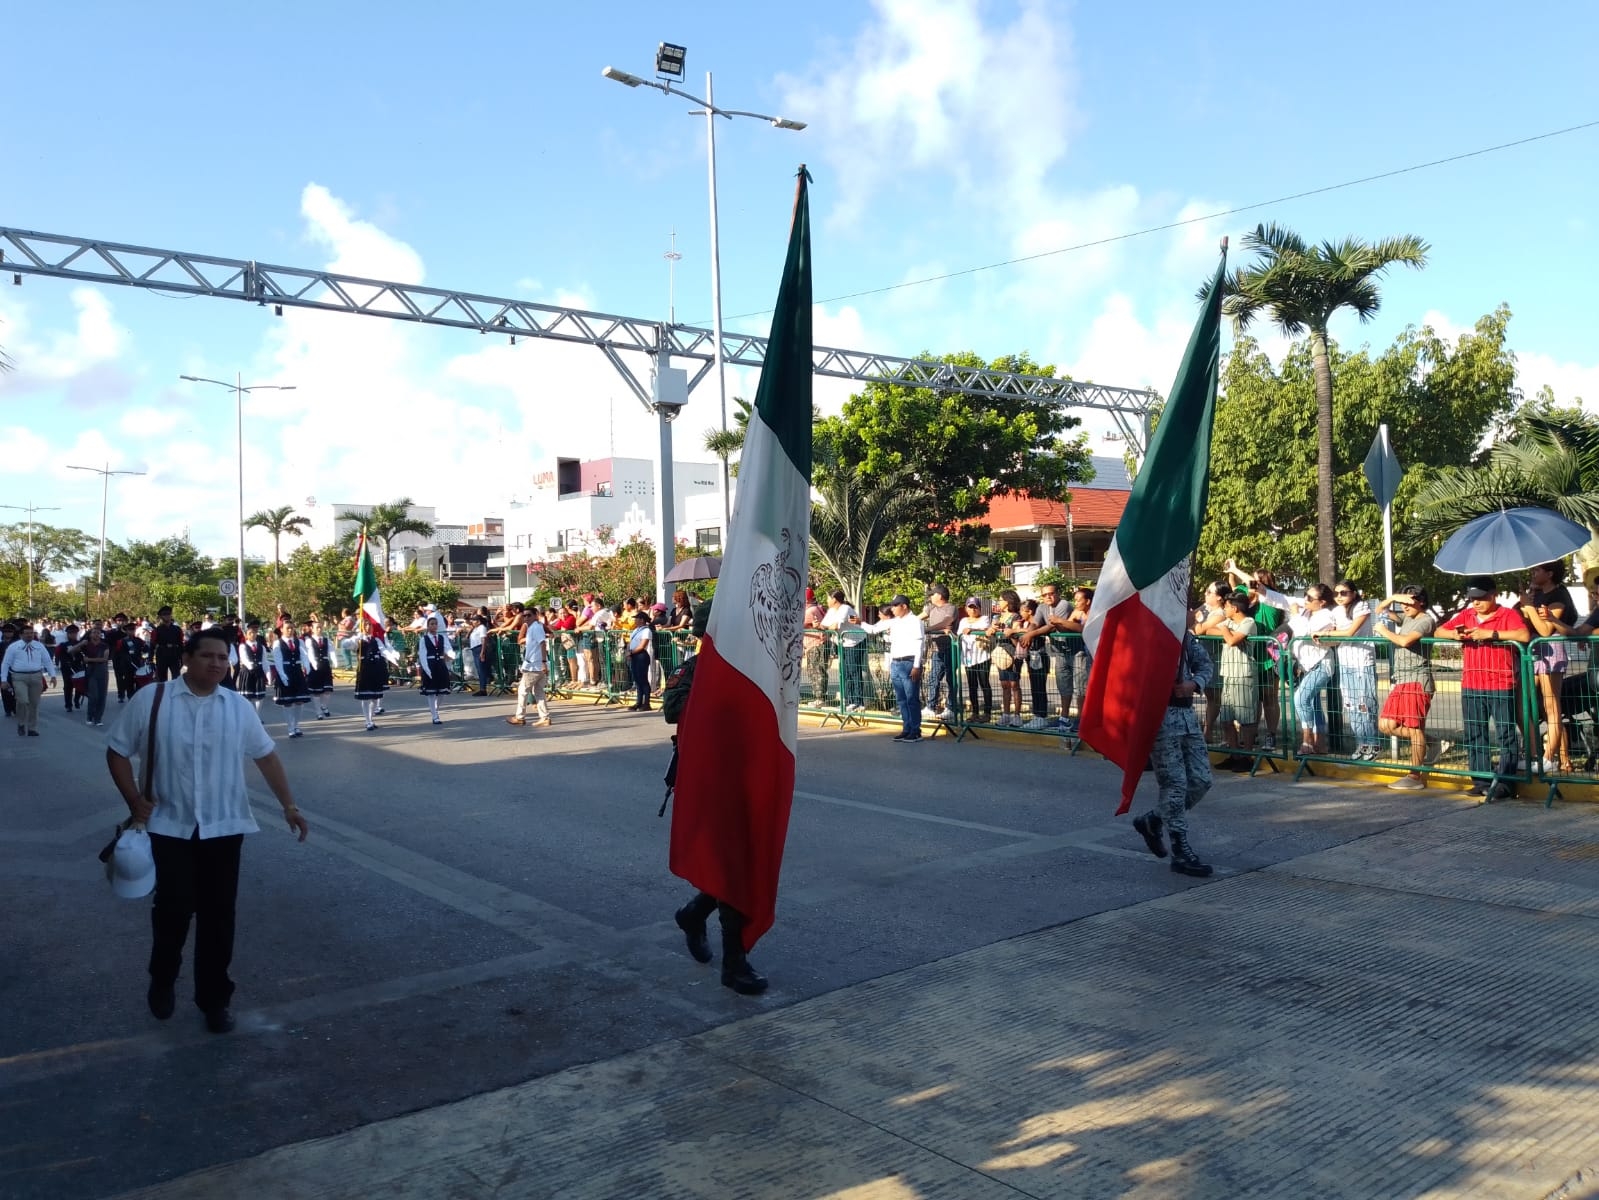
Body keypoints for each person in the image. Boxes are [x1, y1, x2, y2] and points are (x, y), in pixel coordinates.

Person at [105, 626, 309, 1034]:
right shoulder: (153, 699)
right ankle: (162, 978)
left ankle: (214, 999)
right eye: (207, 656)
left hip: (223, 826)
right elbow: (117, 751)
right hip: (168, 826)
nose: (217, 663)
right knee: (174, 910)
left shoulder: (237, 707)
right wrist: (134, 800)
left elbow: (266, 758)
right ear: (186, 658)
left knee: (219, 917)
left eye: (223, 657)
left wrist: (289, 806)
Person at [1131, 630, 1216, 877]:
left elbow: (1205, 663)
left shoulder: (1184, 635)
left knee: (1201, 780)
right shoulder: (1149, 629)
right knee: (1175, 784)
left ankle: (1153, 820)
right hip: (1160, 717)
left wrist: (1195, 683)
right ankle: (1180, 849)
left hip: (1187, 715)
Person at [1436, 574, 1529, 798]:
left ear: (1493, 595)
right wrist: (1454, 635)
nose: (1475, 603)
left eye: (1480, 598)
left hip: (1500, 683)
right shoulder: (1467, 614)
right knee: (1475, 733)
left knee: (1506, 735)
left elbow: (1523, 635)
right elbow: (1439, 630)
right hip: (1472, 683)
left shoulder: (1508, 614)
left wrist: (1492, 634)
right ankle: (1480, 780)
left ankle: (1506, 784)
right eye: (1472, 598)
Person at [1374, 587, 1438, 789]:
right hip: (1401, 679)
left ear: (1421, 602)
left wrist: (1384, 632)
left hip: (1417, 679)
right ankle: (1432, 742)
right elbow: (1379, 611)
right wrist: (1392, 598)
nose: (1405, 606)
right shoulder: (1407, 618)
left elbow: (1405, 640)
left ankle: (1415, 776)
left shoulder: (1425, 620)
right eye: (1403, 602)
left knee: (1413, 727)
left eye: (1410, 602)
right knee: (1386, 725)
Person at [1520, 562, 1576, 773]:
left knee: (1552, 706)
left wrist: (1529, 607)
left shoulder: (1558, 597)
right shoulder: (1539, 594)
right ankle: (1560, 756)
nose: (1533, 573)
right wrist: (1527, 603)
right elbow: (1532, 622)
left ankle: (1549, 757)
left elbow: (1545, 629)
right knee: (1533, 704)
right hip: (1534, 652)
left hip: (1550, 650)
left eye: (1538, 570)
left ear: (1550, 574)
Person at [1319, 580, 1379, 760]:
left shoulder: (1361, 607)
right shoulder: (1336, 611)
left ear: (1353, 593)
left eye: (1343, 593)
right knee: (1351, 704)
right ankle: (1361, 743)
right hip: (1345, 661)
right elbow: (1336, 634)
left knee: (1365, 704)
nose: (1339, 597)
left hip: (1363, 661)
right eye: (1336, 593)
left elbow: (1349, 632)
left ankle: (1373, 742)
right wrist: (1322, 636)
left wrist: (1326, 634)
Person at [859, 594, 926, 742]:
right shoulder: (894, 622)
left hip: (908, 662)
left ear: (904, 606)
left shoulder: (915, 621)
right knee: (901, 699)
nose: (893, 609)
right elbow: (873, 629)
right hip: (896, 662)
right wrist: (860, 622)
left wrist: (916, 666)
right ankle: (906, 728)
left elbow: (919, 644)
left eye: (895, 606)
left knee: (911, 699)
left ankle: (915, 730)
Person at [1289, 584, 1338, 755]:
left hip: (1321, 664)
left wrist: (1295, 614)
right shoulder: (1307, 612)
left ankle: (1307, 741)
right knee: (1313, 704)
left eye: (1310, 598)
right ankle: (1320, 744)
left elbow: (1305, 631)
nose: (1305, 600)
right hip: (1306, 665)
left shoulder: (1325, 616)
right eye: (1305, 596)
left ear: (1322, 602)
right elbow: (1281, 599)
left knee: (1300, 699)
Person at [1215, 590, 1259, 770]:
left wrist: (1224, 629)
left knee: (1245, 719)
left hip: (1243, 674)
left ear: (1234, 608)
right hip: (1228, 673)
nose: (1224, 610)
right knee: (1226, 718)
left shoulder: (1248, 622)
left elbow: (1233, 640)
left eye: (1226, 606)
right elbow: (1209, 629)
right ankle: (1234, 754)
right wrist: (1225, 629)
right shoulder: (1230, 622)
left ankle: (1247, 756)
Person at [2, 623, 57, 736]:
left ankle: (32, 728)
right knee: (23, 700)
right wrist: (3, 679)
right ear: (21, 635)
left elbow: (47, 660)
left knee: (34, 703)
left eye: (31, 633)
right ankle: (21, 723)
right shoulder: (13, 647)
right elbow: (6, 663)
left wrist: (53, 675)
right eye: (26, 633)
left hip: (36, 676)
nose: (29, 635)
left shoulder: (39, 646)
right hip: (19, 677)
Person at [821, 590, 867, 713]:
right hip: (843, 643)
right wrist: (819, 626)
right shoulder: (831, 611)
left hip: (855, 642)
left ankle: (858, 702)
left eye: (828, 598)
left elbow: (835, 626)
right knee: (845, 672)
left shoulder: (845, 608)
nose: (827, 601)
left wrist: (828, 627)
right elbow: (823, 626)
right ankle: (848, 701)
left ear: (834, 599)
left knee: (854, 671)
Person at [506, 606, 551, 728]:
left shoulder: (536, 627)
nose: (526, 618)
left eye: (529, 615)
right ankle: (544, 717)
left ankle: (520, 717)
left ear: (536, 615)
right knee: (539, 692)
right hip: (536, 664)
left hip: (534, 665)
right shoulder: (534, 627)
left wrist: (543, 662)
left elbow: (542, 643)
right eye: (524, 616)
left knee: (522, 690)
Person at [268, 624, 313, 738]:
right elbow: (278, 660)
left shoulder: (299, 642)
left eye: (291, 628)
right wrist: (282, 675)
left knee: (299, 701)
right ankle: (290, 727)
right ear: (282, 630)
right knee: (288, 702)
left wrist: (307, 667)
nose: (290, 630)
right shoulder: (278, 643)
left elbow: (304, 655)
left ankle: (296, 725)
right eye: (287, 628)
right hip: (286, 671)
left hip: (297, 672)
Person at [920, 585, 958, 723]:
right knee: (933, 678)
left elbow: (947, 622)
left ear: (940, 596)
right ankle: (930, 707)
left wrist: (928, 629)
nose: (930, 597)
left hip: (950, 649)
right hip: (936, 649)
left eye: (933, 594)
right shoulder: (931, 608)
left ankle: (951, 708)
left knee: (951, 680)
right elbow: (918, 618)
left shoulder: (951, 608)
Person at [990, 590, 1024, 727]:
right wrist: (991, 629)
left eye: (1001, 600)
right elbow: (992, 632)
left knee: (1014, 684)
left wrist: (1009, 631)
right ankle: (1006, 714)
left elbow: (1016, 632)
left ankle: (1017, 715)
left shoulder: (1016, 616)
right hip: (1000, 652)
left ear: (1008, 601)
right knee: (1004, 684)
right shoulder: (998, 617)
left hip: (1012, 651)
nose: (999, 602)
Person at [956, 597, 992, 723]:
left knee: (984, 684)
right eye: (970, 607)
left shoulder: (984, 619)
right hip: (968, 657)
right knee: (972, 685)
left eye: (975, 607)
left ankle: (987, 713)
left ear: (979, 608)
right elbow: (959, 635)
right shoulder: (963, 620)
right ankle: (975, 712)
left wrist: (972, 630)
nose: (973, 610)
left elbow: (986, 630)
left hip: (982, 656)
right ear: (966, 608)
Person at [353, 628, 396, 731]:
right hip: (364, 669)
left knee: (375, 698)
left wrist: (393, 659)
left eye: (369, 625)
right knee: (366, 697)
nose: (367, 627)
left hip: (375, 669)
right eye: (365, 625)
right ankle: (367, 721)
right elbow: (347, 645)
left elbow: (384, 650)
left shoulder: (376, 640)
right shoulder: (358, 639)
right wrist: (355, 638)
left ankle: (371, 720)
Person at [415, 616, 455, 725]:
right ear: (428, 626)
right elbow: (423, 654)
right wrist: (426, 669)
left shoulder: (441, 638)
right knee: (431, 692)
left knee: (443, 691)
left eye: (435, 624)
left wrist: (452, 655)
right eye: (431, 624)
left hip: (440, 665)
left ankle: (435, 708)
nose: (434, 626)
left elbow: (448, 648)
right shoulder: (424, 639)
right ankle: (434, 715)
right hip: (430, 664)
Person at [79, 626, 112, 727]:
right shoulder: (86, 645)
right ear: (90, 634)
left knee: (102, 696)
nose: (96, 635)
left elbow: (104, 659)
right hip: (91, 672)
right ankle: (90, 716)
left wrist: (89, 660)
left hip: (102, 672)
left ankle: (98, 718)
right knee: (93, 696)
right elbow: (71, 651)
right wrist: (81, 643)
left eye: (98, 633)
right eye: (94, 633)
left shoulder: (104, 645)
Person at [303, 618, 335, 719]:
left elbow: (331, 651)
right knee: (316, 692)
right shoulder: (309, 641)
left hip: (325, 665)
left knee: (327, 690)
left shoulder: (326, 640)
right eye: (317, 627)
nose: (319, 629)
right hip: (315, 666)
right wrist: (313, 663)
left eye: (320, 627)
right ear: (312, 629)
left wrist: (334, 661)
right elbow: (310, 653)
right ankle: (318, 712)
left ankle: (324, 706)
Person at [626, 610, 655, 711]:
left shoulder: (646, 631)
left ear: (642, 620)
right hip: (634, 655)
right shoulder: (636, 630)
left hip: (641, 656)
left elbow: (642, 645)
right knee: (637, 680)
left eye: (637, 619)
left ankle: (646, 703)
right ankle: (638, 702)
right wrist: (628, 652)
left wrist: (631, 652)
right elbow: (631, 643)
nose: (635, 621)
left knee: (643, 680)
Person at [150, 606, 184, 682]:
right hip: (162, 654)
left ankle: (175, 693)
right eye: (164, 614)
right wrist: (150, 659)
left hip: (174, 654)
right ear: (161, 616)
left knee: (176, 678)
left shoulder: (177, 629)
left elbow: (181, 644)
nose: (167, 616)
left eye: (169, 614)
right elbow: (152, 645)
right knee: (162, 679)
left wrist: (182, 658)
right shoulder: (157, 630)